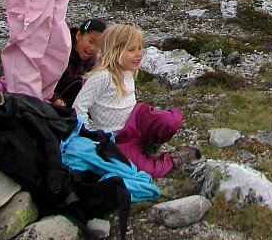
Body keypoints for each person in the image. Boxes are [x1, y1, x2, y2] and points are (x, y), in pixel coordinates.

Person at [74, 24, 201, 178]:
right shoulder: (101, 76)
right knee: (141, 170)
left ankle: (151, 145)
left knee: (169, 119)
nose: (138, 54)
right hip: (119, 137)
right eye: (131, 50)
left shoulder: (128, 72)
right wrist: (90, 136)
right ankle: (173, 159)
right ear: (115, 51)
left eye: (139, 49)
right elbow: (79, 107)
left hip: (138, 120)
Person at [51, 18, 106, 106]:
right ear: (78, 36)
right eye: (90, 41)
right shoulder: (62, 52)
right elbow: (45, 81)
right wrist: (55, 98)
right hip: (50, 99)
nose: (93, 48)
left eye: (98, 45)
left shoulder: (92, 61)